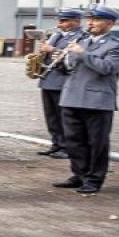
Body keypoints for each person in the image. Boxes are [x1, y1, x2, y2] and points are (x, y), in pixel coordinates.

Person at [55, 7, 119, 194]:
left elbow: (107, 68)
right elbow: (70, 69)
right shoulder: (82, 41)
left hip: (97, 100)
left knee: (97, 142)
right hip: (71, 96)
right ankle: (79, 174)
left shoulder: (117, 46)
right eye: (90, 19)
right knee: (73, 140)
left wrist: (82, 54)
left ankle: (94, 179)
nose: (90, 23)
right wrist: (61, 62)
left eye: (96, 20)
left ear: (109, 23)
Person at [35, 9, 85, 158]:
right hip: (48, 80)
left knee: (63, 117)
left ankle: (66, 147)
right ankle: (56, 144)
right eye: (59, 20)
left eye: (63, 21)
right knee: (51, 117)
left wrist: (51, 49)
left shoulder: (81, 36)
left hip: (63, 81)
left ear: (76, 21)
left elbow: (73, 56)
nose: (59, 24)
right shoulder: (56, 35)